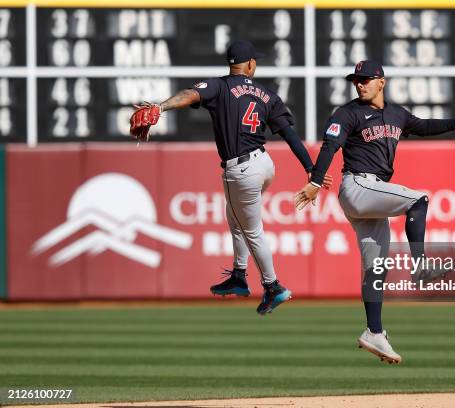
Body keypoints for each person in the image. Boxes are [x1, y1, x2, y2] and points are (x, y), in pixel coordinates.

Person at [294, 60, 455, 363]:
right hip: (358, 186)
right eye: (356, 80)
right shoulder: (347, 113)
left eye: (365, 79)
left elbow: (426, 127)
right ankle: (420, 267)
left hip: (369, 194)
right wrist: (313, 180)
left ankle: (373, 331)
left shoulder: (396, 114)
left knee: (375, 266)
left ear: (381, 82)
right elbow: (329, 147)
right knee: (419, 200)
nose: (360, 84)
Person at [130, 40, 331, 315]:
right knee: (235, 218)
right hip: (264, 164)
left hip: (241, 169)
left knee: (251, 229)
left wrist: (161, 108)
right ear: (250, 64)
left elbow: (189, 95)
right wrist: (311, 168)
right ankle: (239, 275)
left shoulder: (220, 86)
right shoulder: (266, 94)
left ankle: (273, 287)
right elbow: (289, 134)